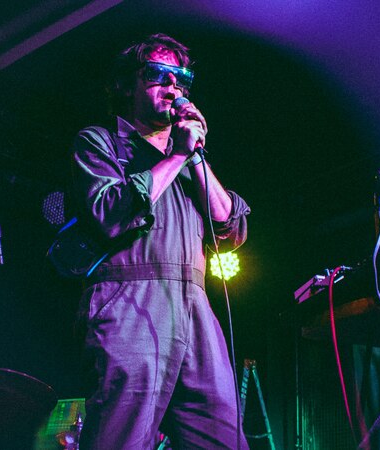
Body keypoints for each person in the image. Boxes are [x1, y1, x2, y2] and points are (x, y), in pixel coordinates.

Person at [69, 33, 251, 449]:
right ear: (125, 85)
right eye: (158, 75)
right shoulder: (100, 142)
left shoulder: (188, 157)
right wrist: (176, 157)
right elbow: (107, 211)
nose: (173, 87)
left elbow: (231, 226)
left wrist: (192, 155)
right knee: (122, 437)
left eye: (181, 80)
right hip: (128, 301)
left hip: (195, 307)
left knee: (223, 437)